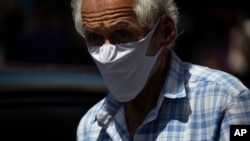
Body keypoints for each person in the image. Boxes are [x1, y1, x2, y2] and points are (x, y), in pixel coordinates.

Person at [71, 0, 250, 140]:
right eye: (94, 37)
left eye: (123, 33)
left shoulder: (226, 100)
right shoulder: (92, 127)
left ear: (165, 32)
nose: (107, 53)